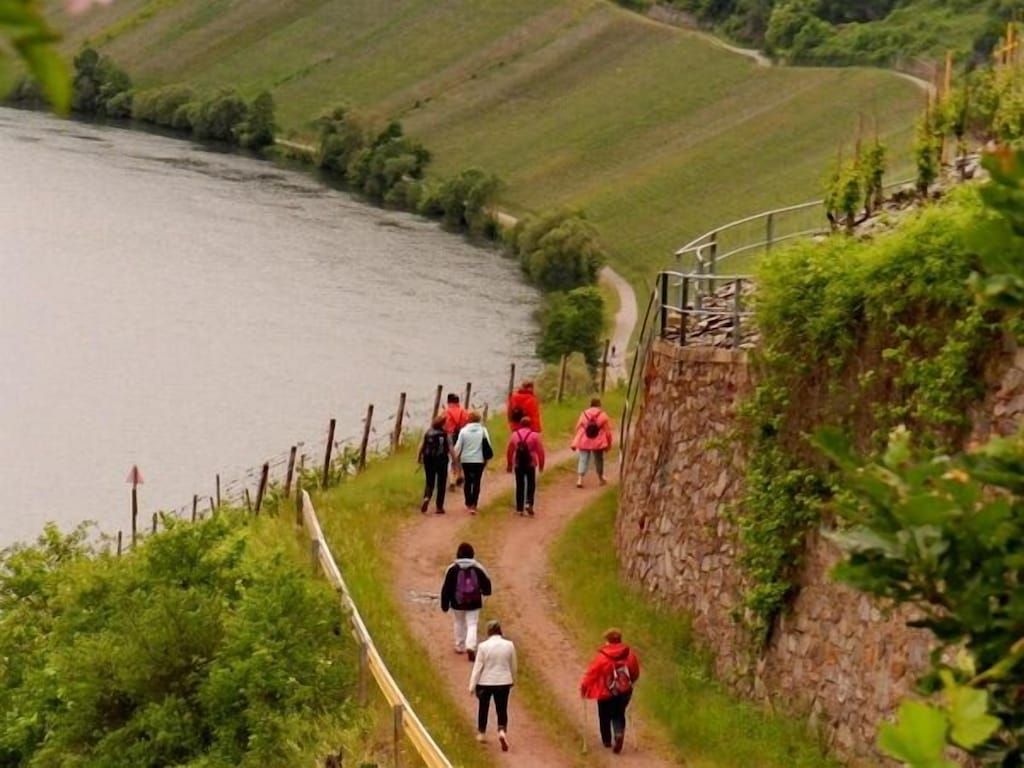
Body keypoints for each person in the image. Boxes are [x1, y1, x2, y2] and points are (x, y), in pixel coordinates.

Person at [580, 628, 641, 754]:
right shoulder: (629, 654)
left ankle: (607, 740)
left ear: (608, 640)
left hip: (606, 692)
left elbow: (592, 674)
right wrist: (629, 684)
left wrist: (584, 687)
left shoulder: (602, 657)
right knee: (619, 713)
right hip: (624, 691)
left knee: (604, 714)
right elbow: (635, 672)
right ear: (620, 639)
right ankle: (618, 734)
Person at [469, 619, 517, 751]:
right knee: (502, 708)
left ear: (488, 632)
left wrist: (472, 685)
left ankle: (482, 732)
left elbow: (478, 667)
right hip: (504, 681)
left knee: (483, 707)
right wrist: (513, 679)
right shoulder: (509, 645)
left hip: (486, 682)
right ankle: (502, 730)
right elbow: (513, 665)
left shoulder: (483, 647)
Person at [440, 543, 492, 662]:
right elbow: (487, 585)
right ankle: (471, 646)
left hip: (456, 603)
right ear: (472, 554)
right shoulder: (478, 567)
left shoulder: (452, 569)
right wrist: (485, 594)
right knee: (472, 624)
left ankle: (459, 646)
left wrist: (445, 604)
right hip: (474, 602)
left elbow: (446, 588)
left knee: (459, 622)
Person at [505, 416, 545, 516]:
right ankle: (529, 503)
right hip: (530, 462)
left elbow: (509, 450)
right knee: (531, 484)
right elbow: (540, 451)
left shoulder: (514, 435)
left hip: (518, 463)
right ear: (530, 425)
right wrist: (541, 464)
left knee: (519, 484)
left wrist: (509, 463)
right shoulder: (534, 436)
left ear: (520, 424)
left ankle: (519, 509)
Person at [453, 411, 492, 513]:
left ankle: (468, 501)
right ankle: (474, 503)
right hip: (479, 460)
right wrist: (487, 458)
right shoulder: (483, 431)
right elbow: (488, 444)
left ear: (469, 419)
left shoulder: (463, 431)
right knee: (477, 481)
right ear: (479, 419)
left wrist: (454, 457)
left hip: (466, 460)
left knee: (468, 481)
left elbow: (458, 446)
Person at [571, 397, 613, 488]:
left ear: (590, 404)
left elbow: (578, 427)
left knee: (583, 458)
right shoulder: (603, 415)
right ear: (599, 405)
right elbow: (608, 431)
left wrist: (575, 440)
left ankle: (580, 479)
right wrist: (609, 443)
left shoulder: (584, 413)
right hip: (598, 441)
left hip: (584, 439)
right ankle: (601, 478)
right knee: (599, 459)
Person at [417, 414, 453, 514]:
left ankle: (427, 497)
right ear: (442, 424)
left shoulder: (428, 432)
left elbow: (421, 446)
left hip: (428, 459)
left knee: (429, 481)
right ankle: (439, 507)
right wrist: (455, 460)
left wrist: (418, 458)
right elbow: (450, 448)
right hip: (441, 460)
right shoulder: (445, 434)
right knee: (441, 483)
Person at [444, 393, 470, 490]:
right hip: (463, 436)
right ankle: (459, 475)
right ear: (458, 402)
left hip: (450, 436)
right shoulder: (464, 412)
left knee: (451, 459)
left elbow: (443, 426)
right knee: (461, 457)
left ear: (448, 402)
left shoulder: (445, 413)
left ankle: (452, 480)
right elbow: (469, 424)